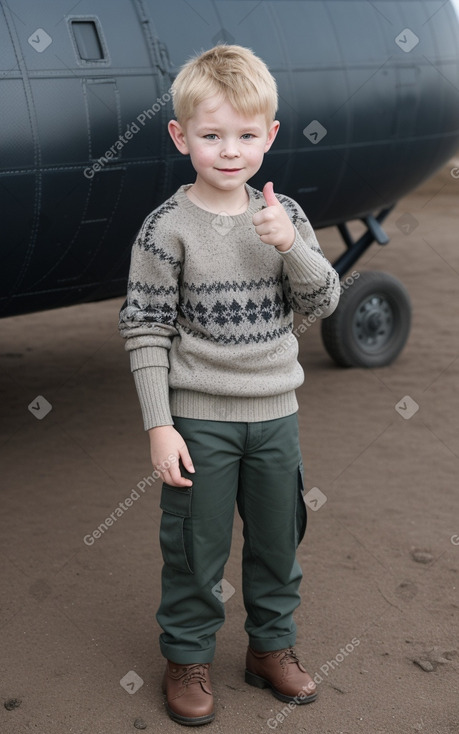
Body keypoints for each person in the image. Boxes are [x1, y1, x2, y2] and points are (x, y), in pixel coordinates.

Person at [118, 44, 340, 726]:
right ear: (180, 137)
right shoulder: (166, 229)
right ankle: (187, 656)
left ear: (269, 136)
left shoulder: (285, 216)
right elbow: (146, 330)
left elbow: (323, 302)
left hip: (276, 416)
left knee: (279, 539)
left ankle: (269, 647)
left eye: (246, 135)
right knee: (194, 545)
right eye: (211, 136)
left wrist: (288, 245)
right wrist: (160, 425)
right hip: (198, 422)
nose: (229, 151)